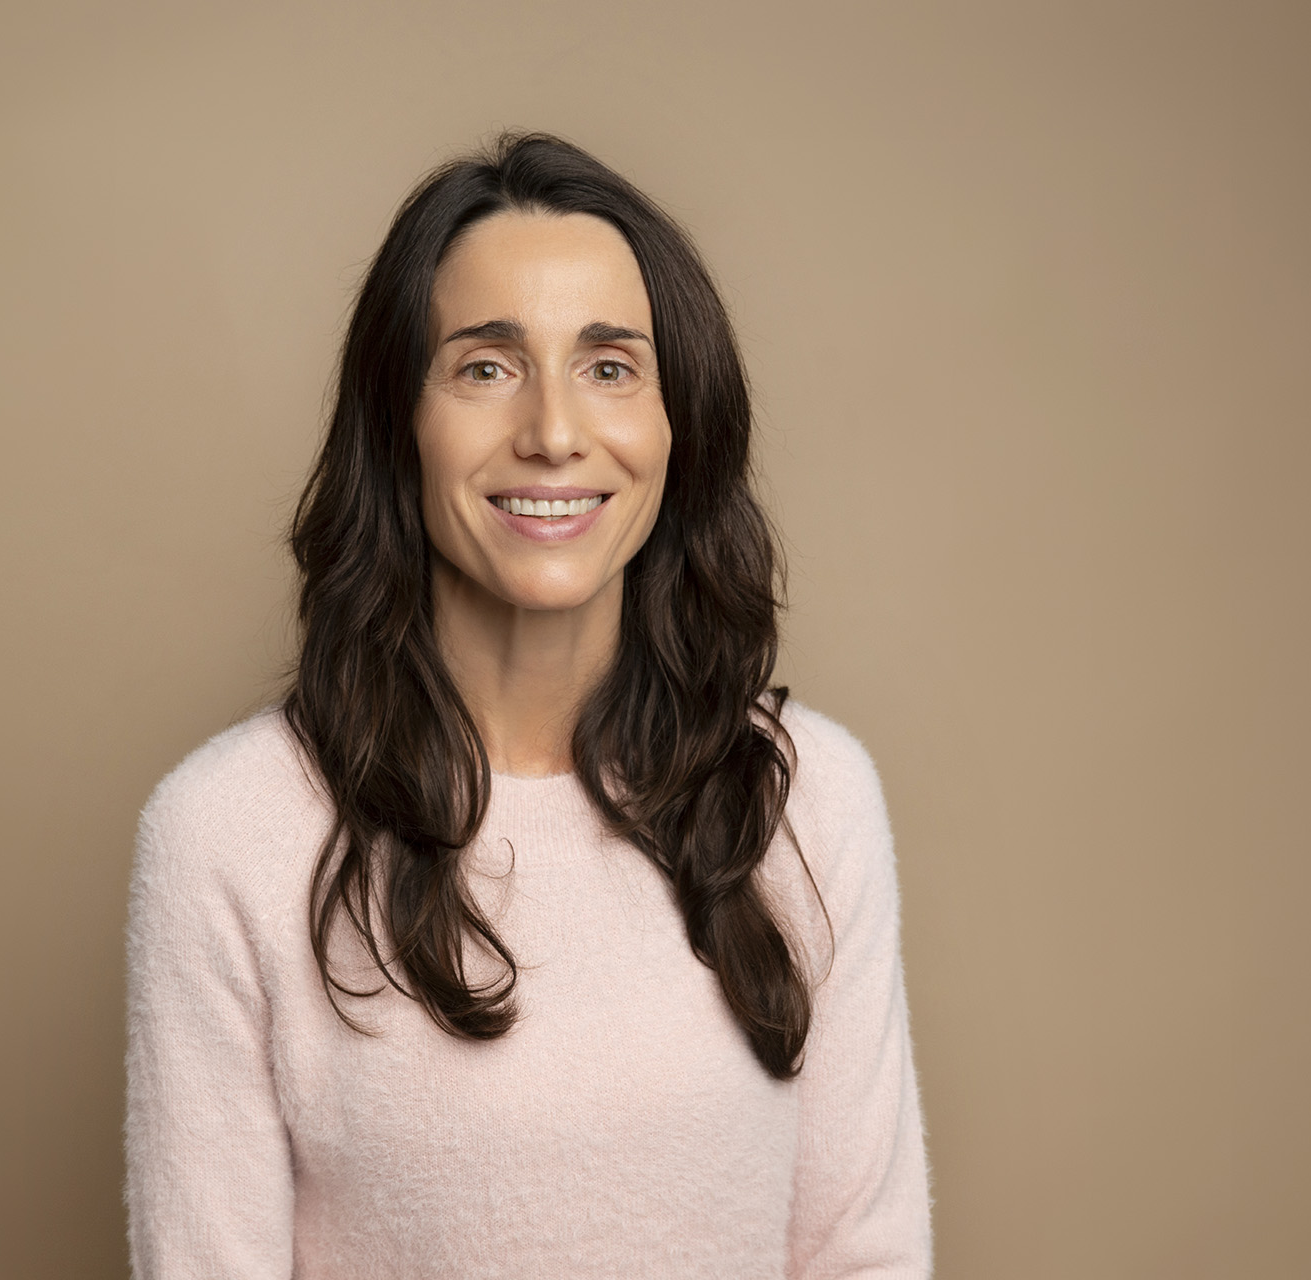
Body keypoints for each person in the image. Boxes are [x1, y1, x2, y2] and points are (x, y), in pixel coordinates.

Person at [125, 133, 932, 1278]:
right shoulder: (225, 834)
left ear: (674, 428)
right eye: (487, 366)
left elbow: (865, 1253)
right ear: (400, 424)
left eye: (610, 366)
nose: (554, 431)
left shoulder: (810, 797)